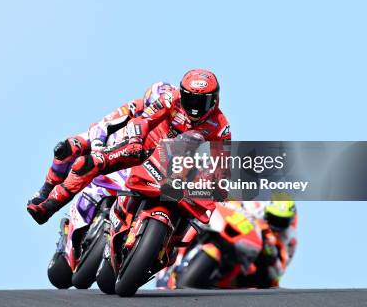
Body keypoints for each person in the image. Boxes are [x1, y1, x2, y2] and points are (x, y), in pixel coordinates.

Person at [28, 68, 231, 225]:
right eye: (190, 99)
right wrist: (133, 142)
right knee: (83, 159)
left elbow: (221, 166)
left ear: (215, 100)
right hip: (142, 149)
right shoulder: (170, 99)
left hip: (176, 170)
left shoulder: (221, 127)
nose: (194, 107)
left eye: (201, 102)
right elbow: (142, 121)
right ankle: (48, 204)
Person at [27, 82, 175, 207]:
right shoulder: (137, 107)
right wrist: (98, 147)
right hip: (111, 147)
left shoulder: (178, 126)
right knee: (66, 148)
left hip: (143, 166)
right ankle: (46, 189)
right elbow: (102, 125)